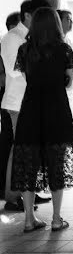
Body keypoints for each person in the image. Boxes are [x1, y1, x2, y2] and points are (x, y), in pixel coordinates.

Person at [10, 7, 73, 233]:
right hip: (56, 109)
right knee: (56, 162)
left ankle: (29, 219)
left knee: (29, 163)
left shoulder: (25, 49)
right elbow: (69, 82)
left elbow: (25, 77)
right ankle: (57, 219)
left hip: (31, 108)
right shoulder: (64, 49)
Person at [2, 0, 51, 212]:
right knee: (20, 150)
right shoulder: (13, 37)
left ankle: (27, 192)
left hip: (32, 101)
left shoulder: (34, 37)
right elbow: (13, 69)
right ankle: (13, 196)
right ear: (29, 15)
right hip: (18, 102)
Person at [0, 12, 19, 196]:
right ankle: (11, 193)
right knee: (12, 145)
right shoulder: (9, 41)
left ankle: (17, 192)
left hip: (11, 99)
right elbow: (9, 74)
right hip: (10, 100)